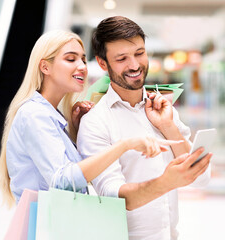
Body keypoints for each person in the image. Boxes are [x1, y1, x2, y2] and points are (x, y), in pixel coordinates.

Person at [0, 30, 181, 207]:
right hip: (45, 226)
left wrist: (75, 133)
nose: (82, 67)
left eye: (83, 59)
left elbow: (77, 176)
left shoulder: (53, 115)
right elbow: (62, 182)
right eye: (71, 59)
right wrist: (125, 145)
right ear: (45, 67)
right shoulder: (35, 114)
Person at [77, 16, 212, 240]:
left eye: (139, 53)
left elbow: (202, 177)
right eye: (121, 58)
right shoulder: (95, 122)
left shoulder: (163, 110)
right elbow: (113, 195)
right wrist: (166, 182)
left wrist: (169, 127)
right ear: (103, 63)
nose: (134, 65)